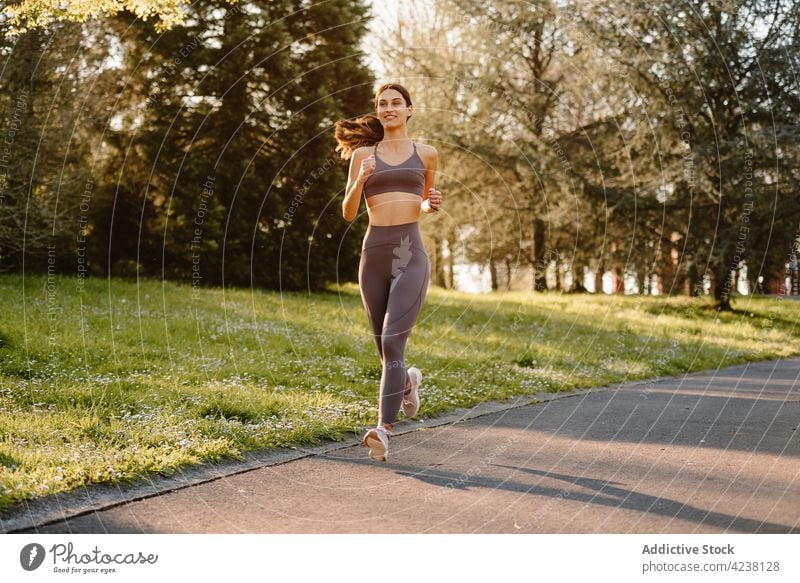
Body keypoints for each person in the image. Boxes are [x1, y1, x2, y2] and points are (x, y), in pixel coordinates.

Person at [334, 83, 443, 462]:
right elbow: (349, 212)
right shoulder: (363, 154)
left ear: (410, 109)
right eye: (383, 104)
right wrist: (361, 178)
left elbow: (425, 201)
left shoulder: (426, 154)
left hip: (410, 252)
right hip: (373, 253)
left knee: (394, 342)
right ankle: (408, 383)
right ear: (377, 111)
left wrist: (431, 203)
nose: (389, 108)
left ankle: (384, 428)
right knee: (384, 346)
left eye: (396, 102)